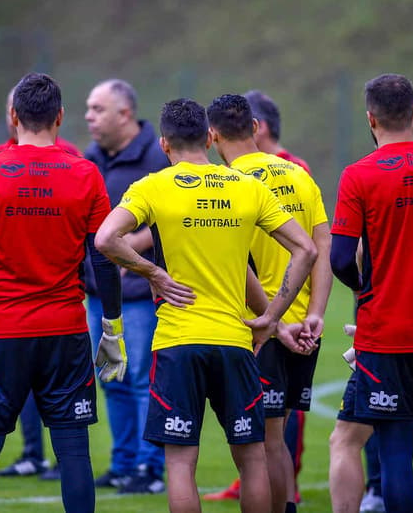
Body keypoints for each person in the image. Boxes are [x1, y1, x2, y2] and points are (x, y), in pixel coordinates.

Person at [94, 96, 318, 513]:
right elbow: (306, 249)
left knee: (181, 462)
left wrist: (153, 274)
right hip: (236, 341)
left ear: (164, 145)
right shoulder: (248, 187)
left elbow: (106, 239)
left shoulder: (153, 186)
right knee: (251, 458)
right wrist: (271, 317)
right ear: (208, 138)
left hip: (178, 342)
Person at [0, 72, 125, 513]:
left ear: (13, 115)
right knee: (73, 450)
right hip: (64, 332)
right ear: (60, 117)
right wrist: (112, 330)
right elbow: (103, 258)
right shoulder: (85, 174)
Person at [329, 73, 413, 513]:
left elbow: (339, 259)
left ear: (370, 118)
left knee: (394, 454)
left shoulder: (358, 175)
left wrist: (367, 292)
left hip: (385, 335)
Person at [206, 93, 331, 513]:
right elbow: (321, 247)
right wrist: (315, 313)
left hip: (260, 331)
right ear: (256, 128)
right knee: (278, 441)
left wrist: (270, 320)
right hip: (305, 329)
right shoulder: (299, 175)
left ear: (211, 136)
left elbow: (236, 266)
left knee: (264, 447)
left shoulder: (227, 185)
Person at [0, 87, 82, 480]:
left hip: (9, 318)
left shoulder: (73, 161)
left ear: (14, 114)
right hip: (59, 317)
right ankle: (32, 453)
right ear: (59, 114)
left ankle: (53, 457)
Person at [82, 78, 169, 493]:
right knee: (109, 376)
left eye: (98, 109)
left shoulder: (157, 155)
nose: (89, 117)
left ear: (125, 114)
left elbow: (170, 215)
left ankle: (150, 468)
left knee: (138, 376)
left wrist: (125, 250)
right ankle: (122, 464)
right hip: (98, 294)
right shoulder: (91, 158)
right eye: (88, 109)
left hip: (138, 294)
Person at [244, 90, 312, 175]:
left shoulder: (297, 168)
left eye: (242, 123)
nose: (237, 130)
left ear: (260, 126)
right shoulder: (238, 167)